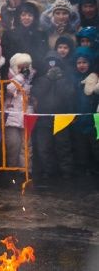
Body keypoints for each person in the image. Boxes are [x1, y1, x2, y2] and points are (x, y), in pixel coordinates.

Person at [31, 53, 77, 185]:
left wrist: (60, 80)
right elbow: (37, 93)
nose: (53, 67)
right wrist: (48, 79)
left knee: (63, 147)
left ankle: (66, 173)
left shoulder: (66, 79)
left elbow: (70, 95)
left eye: (56, 64)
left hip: (62, 118)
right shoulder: (40, 79)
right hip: (43, 118)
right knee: (44, 147)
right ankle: (48, 172)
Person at [71, 47, 99, 176]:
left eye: (84, 62)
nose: (81, 65)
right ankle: (83, 169)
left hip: (93, 119)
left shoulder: (95, 79)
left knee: (95, 146)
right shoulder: (74, 79)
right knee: (81, 147)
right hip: (78, 120)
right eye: (79, 62)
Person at [6, 53, 34, 172]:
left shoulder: (32, 79)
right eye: (21, 66)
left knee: (26, 146)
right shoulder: (10, 78)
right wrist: (21, 77)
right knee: (13, 144)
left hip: (27, 114)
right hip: (12, 115)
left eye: (27, 66)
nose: (25, 69)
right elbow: (10, 89)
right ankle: (12, 169)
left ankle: (25, 170)